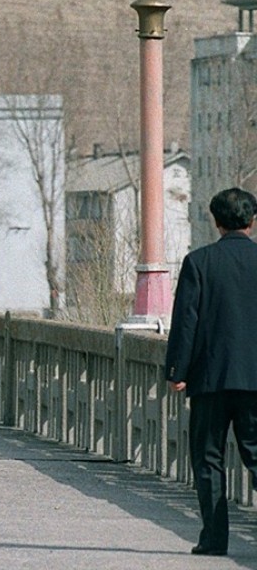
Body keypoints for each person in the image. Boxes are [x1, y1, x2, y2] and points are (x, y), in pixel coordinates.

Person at [165, 187, 257, 557]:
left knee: (208, 459)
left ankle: (214, 539)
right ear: (253, 221)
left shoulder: (199, 262)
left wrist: (177, 370)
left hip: (210, 379)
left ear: (216, 221)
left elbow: (186, 321)